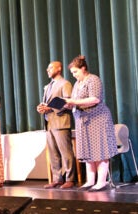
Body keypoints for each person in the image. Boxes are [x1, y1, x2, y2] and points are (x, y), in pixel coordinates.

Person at [64, 55, 118, 192]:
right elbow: (76, 101)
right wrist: (67, 104)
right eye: (72, 73)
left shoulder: (93, 79)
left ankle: (101, 182)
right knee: (87, 151)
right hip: (83, 121)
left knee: (100, 150)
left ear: (83, 68)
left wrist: (73, 102)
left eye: (75, 72)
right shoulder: (77, 84)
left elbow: (94, 99)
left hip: (97, 119)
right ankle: (90, 181)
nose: (74, 75)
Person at [36, 61, 76, 189]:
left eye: (50, 67)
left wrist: (50, 108)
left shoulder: (65, 84)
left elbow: (68, 102)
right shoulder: (48, 86)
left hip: (61, 122)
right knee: (53, 153)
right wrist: (42, 107)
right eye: (47, 68)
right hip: (49, 123)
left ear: (59, 68)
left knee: (66, 152)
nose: (48, 70)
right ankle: (57, 179)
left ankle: (70, 179)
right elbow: (47, 103)